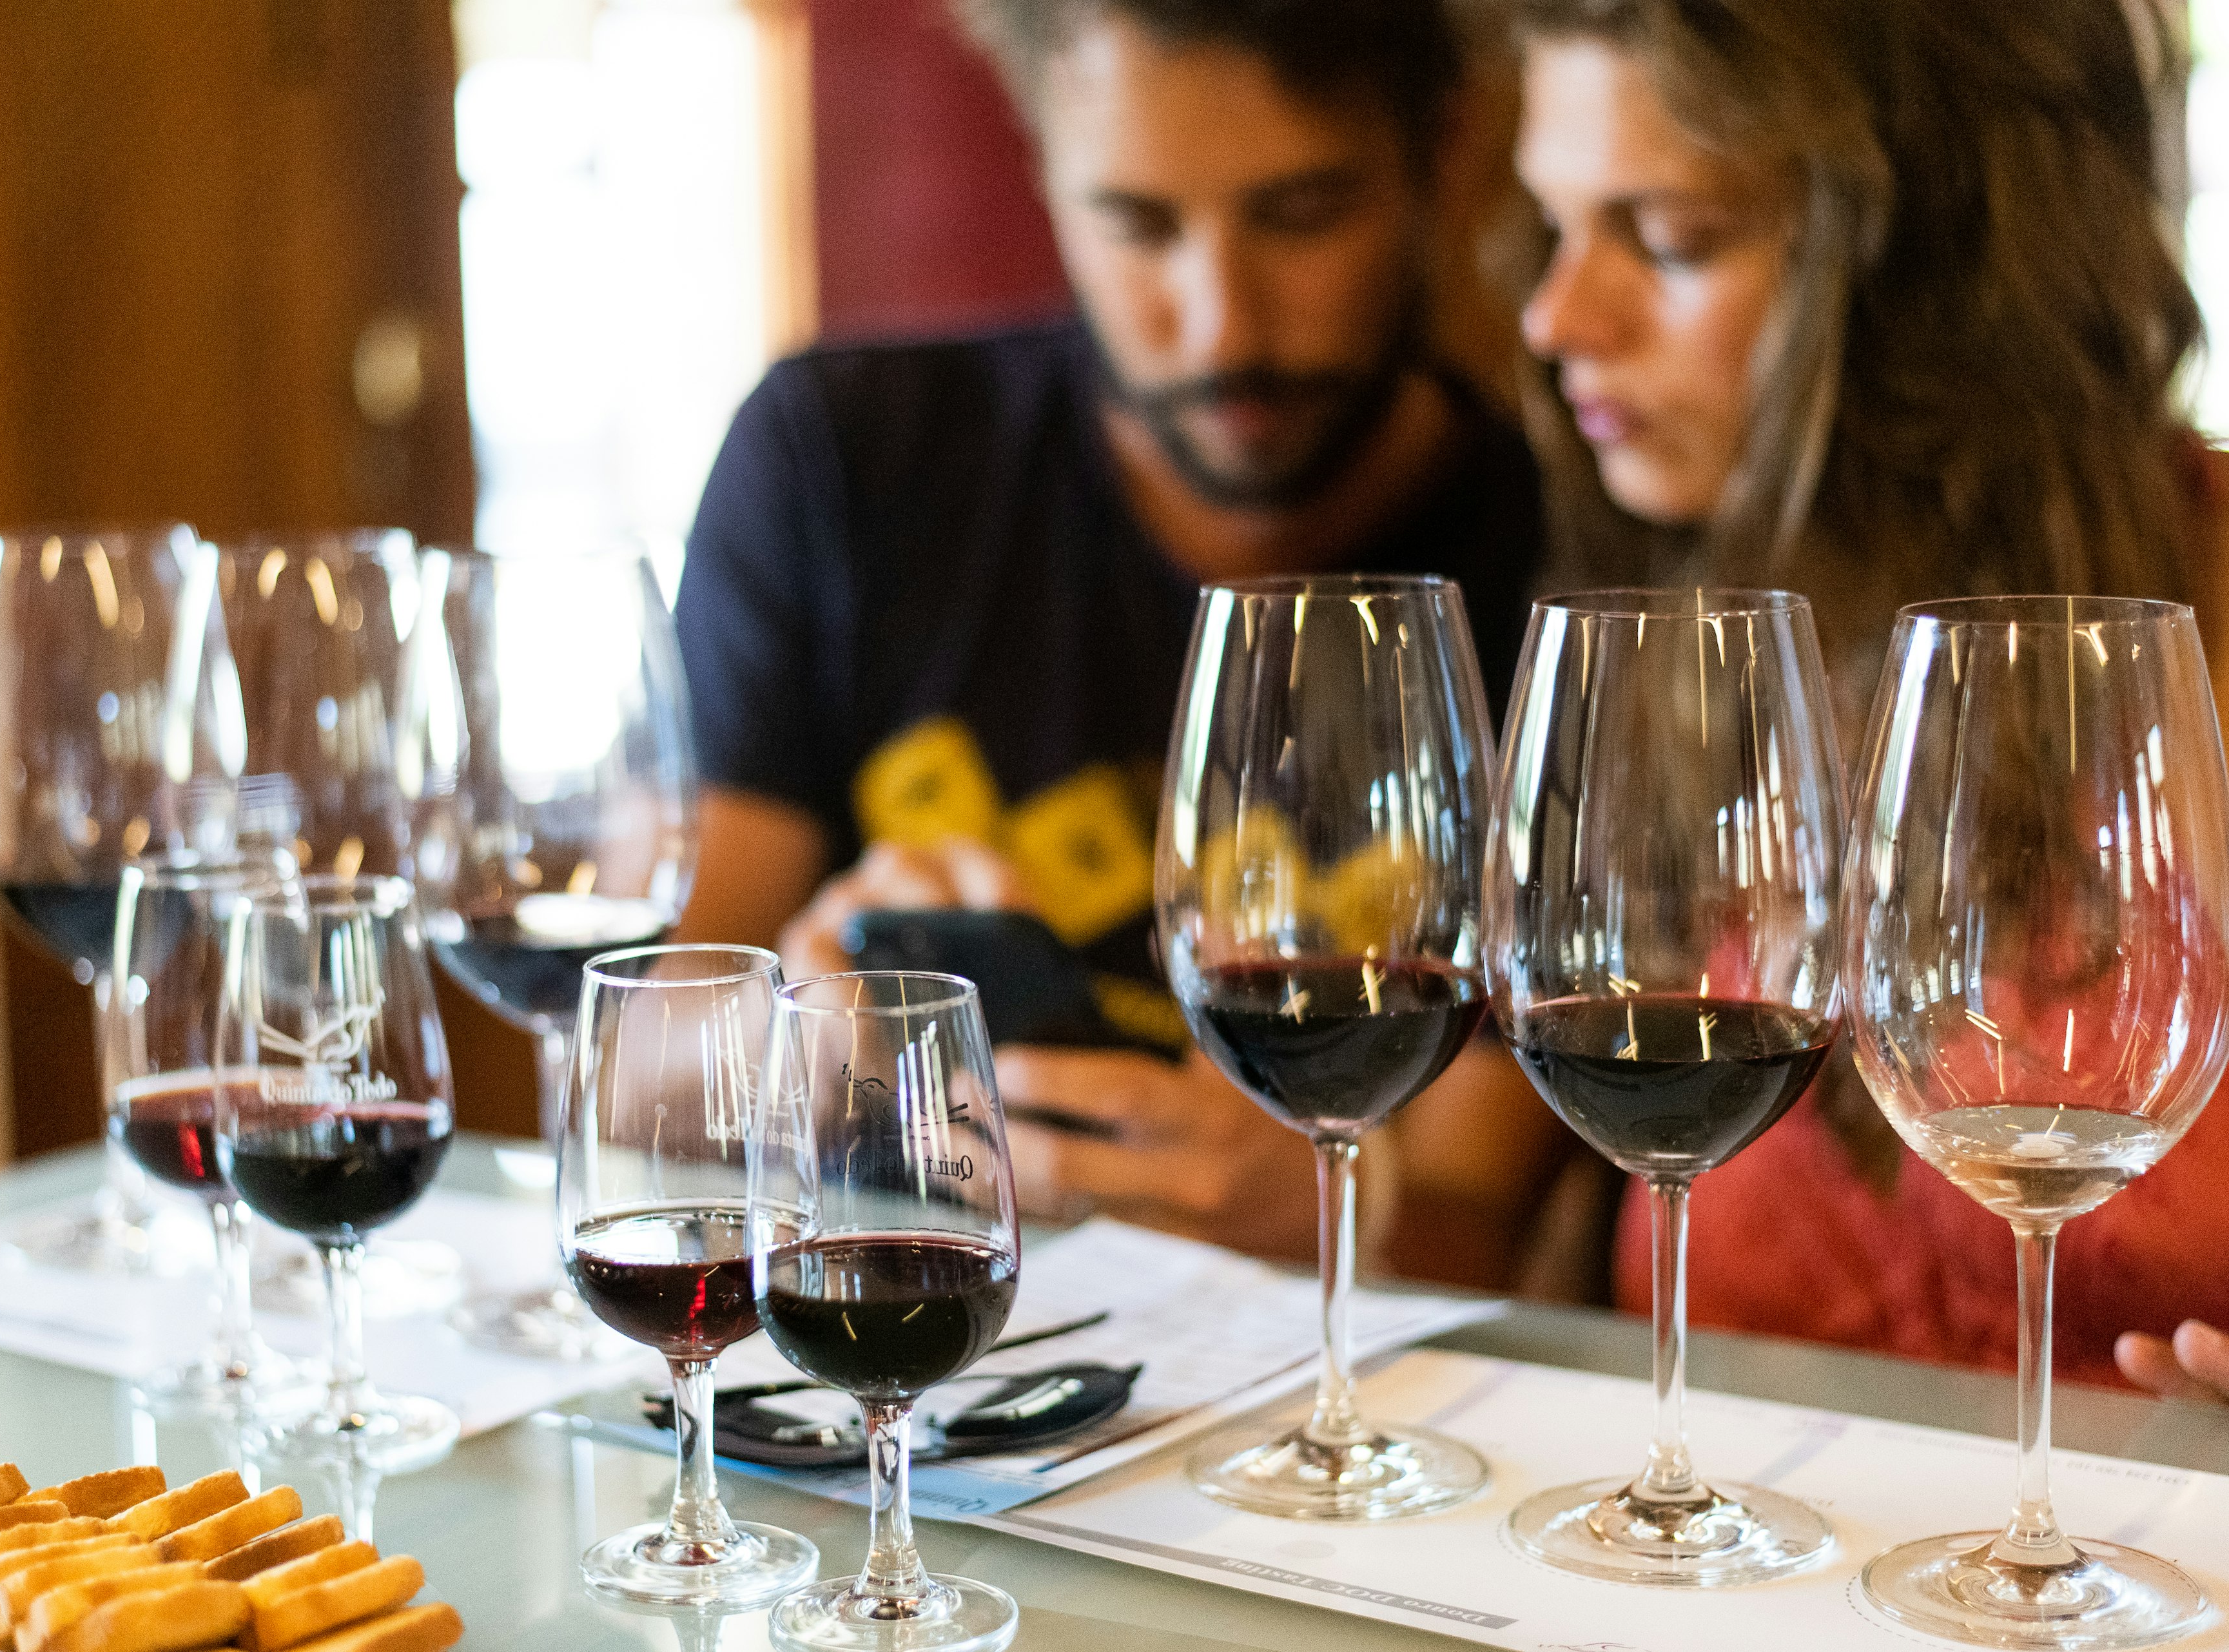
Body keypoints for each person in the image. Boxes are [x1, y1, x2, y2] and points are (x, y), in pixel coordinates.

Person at [673, 0, 1588, 1283]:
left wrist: (1349, 1217)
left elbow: (1481, 1224)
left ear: (1442, 157)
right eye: (1138, 225)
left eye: (1303, 214)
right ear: (1047, 173)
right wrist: (786, 1044)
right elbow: (646, 1055)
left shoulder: (1572, 558)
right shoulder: (843, 461)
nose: (1222, 323)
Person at [1506, 0, 2229, 1395]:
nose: (1555, 316)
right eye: (1554, 226)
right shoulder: (1691, 657)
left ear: (1936, 270)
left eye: (1669, 237)